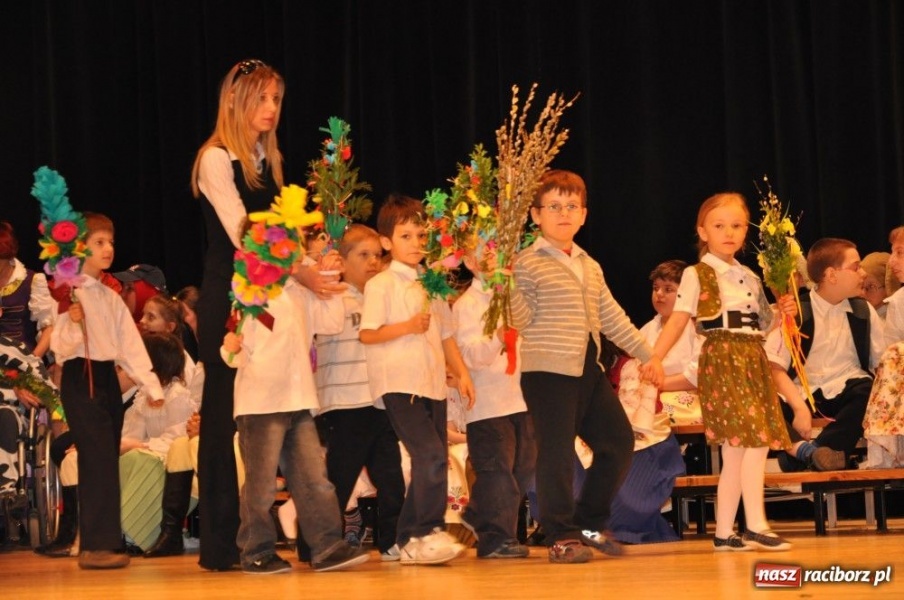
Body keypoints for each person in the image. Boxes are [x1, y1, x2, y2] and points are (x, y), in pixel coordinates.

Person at [510, 170, 663, 564]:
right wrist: (503, 283)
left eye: (572, 206)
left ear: (584, 215)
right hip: (548, 373)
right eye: (554, 206)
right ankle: (560, 535)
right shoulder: (525, 263)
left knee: (618, 443)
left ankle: (588, 522)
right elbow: (520, 320)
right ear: (535, 215)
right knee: (556, 454)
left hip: (587, 370)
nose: (564, 213)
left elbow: (612, 317)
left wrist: (649, 356)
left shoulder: (588, 265)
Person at [648, 192, 803, 552]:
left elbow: (763, 325)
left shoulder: (749, 274)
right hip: (722, 357)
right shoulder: (696, 273)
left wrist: (783, 310)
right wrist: (655, 357)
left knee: (742, 447)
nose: (729, 233)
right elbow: (679, 320)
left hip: (751, 357)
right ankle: (756, 524)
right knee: (751, 441)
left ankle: (724, 532)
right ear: (703, 232)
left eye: (736, 226)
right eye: (719, 226)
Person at [222, 225, 368, 574]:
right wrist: (231, 350)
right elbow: (235, 344)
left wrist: (329, 280)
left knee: (312, 478)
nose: (291, 252)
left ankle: (327, 546)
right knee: (260, 483)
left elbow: (331, 323)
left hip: (299, 398)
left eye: (293, 245)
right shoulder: (249, 291)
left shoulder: (299, 292)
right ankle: (255, 550)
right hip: (261, 403)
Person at [190, 58, 288, 571]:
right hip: (229, 299)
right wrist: (299, 260)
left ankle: (258, 536)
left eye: (276, 99)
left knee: (264, 418)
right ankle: (219, 545)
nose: (271, 109)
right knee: (223, 419)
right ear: (234, 100)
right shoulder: (215, 159)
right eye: (261, 98)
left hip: (267, 299)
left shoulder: (265, 161)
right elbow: (244, 234)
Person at [359, 194, 475, 566]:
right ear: (387, 242)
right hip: (399, 383)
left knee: (437, 457)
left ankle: (408, 537)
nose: (416, 244)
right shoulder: (382, 284)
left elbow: (445, 334)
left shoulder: (432, 281)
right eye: (406, 236)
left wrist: (461, 373)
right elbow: (368, 334)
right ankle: (423, 533)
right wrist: (407, 327)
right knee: (427, 455)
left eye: (421, 236)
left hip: (431, 385)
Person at [50, 212, 165, 569]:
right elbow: (61, 346)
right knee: (97, 455)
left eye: (111, 242)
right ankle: (97, 547)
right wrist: (71, 321)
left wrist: (151, 384)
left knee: (105, 457)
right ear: (80, 247)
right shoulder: (73, 292)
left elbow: (130, 346)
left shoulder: (111, 297)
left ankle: (104, 542)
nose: (108, 248)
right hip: (78, 376)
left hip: (105, 381)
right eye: (99, 242)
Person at [313, 224, 405, 561]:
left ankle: (393, 541)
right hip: (344, 403)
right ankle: (319, 545)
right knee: (339, 478)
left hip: (379, 400)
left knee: (391, 477)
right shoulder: (330, 295)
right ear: (343, 259)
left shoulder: (380, 296)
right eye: (362, 255)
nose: (372, 262)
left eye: (377, 256)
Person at [769, 239, 884, 472]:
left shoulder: (863, 311)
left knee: (867, 389)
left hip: (843, 395)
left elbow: (881, 364)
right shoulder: (796, 311)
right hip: (800, 395)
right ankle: (815, 455)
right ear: (831, 275)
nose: (862, 273)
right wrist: (800, 408)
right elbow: (774, 367)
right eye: (855, 267)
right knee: (763, 396)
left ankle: (808, 454)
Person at [454, 242, 535, 559]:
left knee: (523, 469)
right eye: (485, 253)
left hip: (522, 397)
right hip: (488, 402)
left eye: (499, 250)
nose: (494, 258)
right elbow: (471, 356)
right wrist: (499, 337)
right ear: (470, 261)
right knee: (496, 472)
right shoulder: (467, 305)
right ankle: (494, 539)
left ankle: (477, 514)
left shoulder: (516, 297)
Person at [607, 260, 696, 544]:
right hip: (651, 397)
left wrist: (655, 387)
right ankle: (628, 495)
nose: (659, 295)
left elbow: (698, 376)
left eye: (668, 289)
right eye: (656, 288)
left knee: (648, 417)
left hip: (686, 398)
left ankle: (650, 495)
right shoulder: (648, 328)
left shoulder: (697, 327)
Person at [119, 332, 194, 552]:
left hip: (175, 459)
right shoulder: (144, 396)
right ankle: (124, 531)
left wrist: (140, 446)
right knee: (126, 458)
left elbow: (177, 438)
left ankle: (139, 535)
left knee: (141, 459)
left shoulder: (177, 395)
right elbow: (132, 433)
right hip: (149, 452)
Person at [0, 221, 55, 500]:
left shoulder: (32, 281)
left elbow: (49, 328)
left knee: (7, 413)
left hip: (22, 360)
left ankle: (7, 485)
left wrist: (28, 366)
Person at [883, 227, 904, 345]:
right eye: (892, 252)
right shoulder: (898, 302)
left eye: (899, 252)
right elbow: (891, 355)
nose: (891, 261)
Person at [860, 252, 897, 319]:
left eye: (871, 286)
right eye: (861, 286)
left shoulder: (895, 322)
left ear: (888, 287)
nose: (863, 293)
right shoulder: (860, 317)